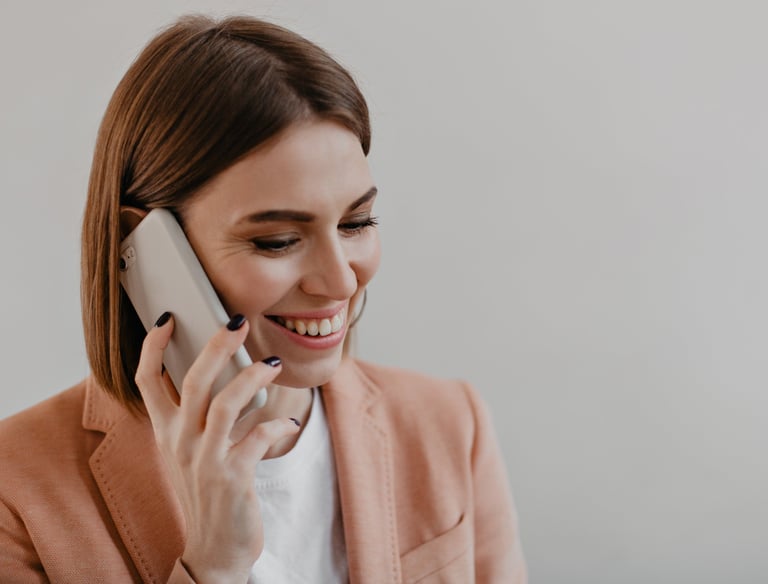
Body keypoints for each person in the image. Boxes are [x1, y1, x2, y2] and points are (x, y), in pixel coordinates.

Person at [0, 14, 526, 583]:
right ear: (146, 249)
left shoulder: (451, 425)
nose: (342, 282)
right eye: (277, 240)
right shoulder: (15, 493)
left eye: (357, 222)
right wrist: (213, 564)